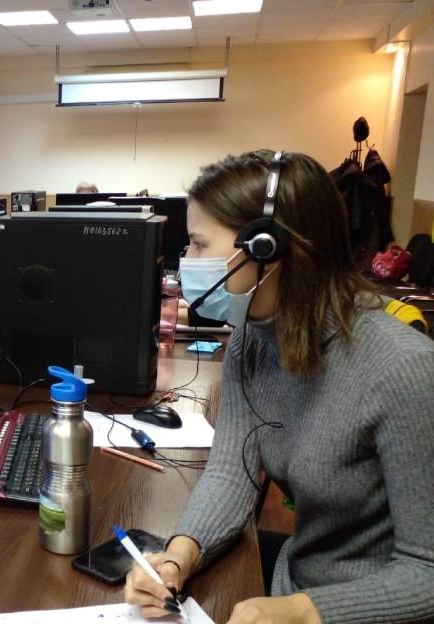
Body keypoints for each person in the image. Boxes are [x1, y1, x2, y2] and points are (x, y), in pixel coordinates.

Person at [125, 150, 434, 623]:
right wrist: (177, 556)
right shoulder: (251, 340)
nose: (188, 261)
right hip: (296, 579)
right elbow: (233, 473)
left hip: (364, 606)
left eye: (199, 244)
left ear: (267, 248)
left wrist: (305, 611)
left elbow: (426, 570)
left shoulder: (403, 369)